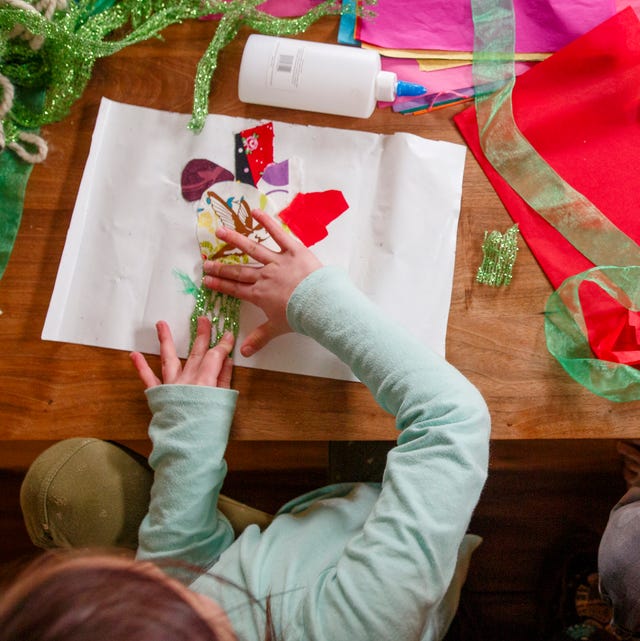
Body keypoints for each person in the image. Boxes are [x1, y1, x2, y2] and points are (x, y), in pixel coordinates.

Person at [2, 208, 491, 641]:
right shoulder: (361, 623)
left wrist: (189, 432)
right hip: (375, 543)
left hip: (283, 554)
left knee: (64, 482)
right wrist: (311, 299)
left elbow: (186, 564)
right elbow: (452, 418)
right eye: (173, 598)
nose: (156, 579)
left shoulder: (180, 603)